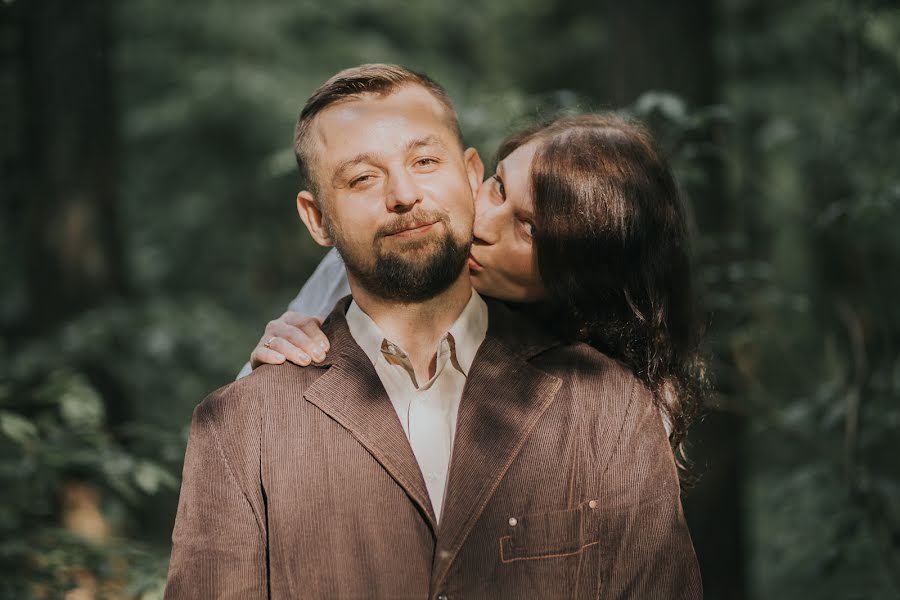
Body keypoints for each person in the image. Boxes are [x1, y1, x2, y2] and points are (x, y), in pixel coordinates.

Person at [166, 64, 701, 599]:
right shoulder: (394, 238)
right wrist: (271, 365)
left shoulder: (613, 400)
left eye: (530, 228)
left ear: (579, 275)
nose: (481, 225)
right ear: (476, 175)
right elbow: (252, 429)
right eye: (497, 187)